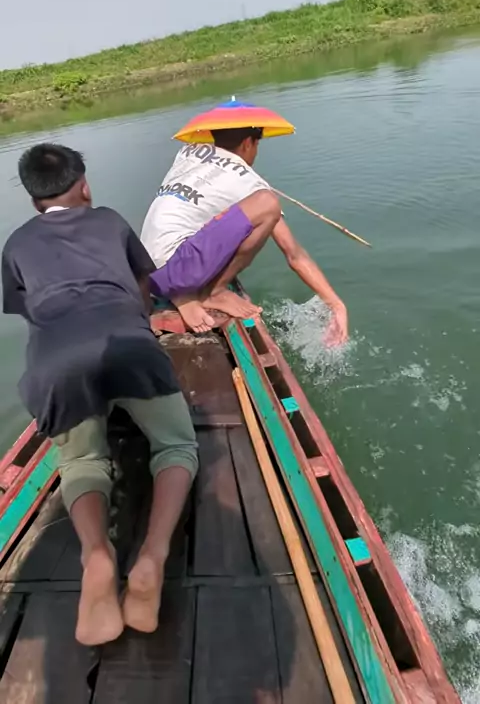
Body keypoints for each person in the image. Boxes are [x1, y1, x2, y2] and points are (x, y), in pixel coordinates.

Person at [1, 143, 198, 647]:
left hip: (55, 367)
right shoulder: (109, 220)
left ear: (34, 201)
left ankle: (96, 556)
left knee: (82, 461)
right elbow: (143, 289)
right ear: (84, 186)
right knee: (176, 446)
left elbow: (31, 311)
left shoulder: (16, 245)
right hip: (128, 346)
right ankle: (153, 554)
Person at [141, 126, 348, 344]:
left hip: (146, 270)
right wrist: (336, 305)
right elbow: (294, 254)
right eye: (257, 145)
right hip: (177, 269)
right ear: (248, 143)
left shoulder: (189, 152)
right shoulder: (248, 180)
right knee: (268, 203)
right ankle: (214, 292)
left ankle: (182, 293)